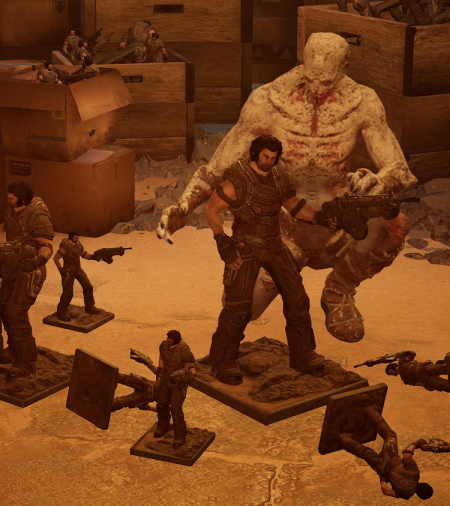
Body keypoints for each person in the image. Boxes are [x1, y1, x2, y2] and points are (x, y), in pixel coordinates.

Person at [157, 33, 417, 344]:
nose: (317, 89)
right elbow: (217, 167)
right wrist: (185, 205)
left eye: (327, 81)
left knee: (393, 226)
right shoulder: (269, 100)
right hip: (282, 228)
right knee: (243, 308)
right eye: (311, 77)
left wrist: (382, 180)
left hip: (339, 222)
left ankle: (339, 290)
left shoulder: (363, 101)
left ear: (344, 69)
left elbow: (400, 170)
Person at [206, 134, 336, 385]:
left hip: (274, 245)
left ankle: (302, 355)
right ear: (255, 153)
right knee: (239, 308)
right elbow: (212, 209)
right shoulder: (239, 179)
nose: (269, 161)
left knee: (298, 299)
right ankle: (222, 360)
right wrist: (222, 242)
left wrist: (318, 218)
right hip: (245, 247)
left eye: (274, 158)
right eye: (266, 156)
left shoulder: (279, 176)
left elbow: (293, 204)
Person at [0, 182, 54, 380]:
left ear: (22, 198)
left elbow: (47, 247)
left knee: (16, 312)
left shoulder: (37, 215)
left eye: (12, 197)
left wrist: (36, 262)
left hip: (30, 270)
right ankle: (13, 350)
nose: (8, 199)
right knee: (3, 307)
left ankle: (26, 362)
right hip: (11, 267)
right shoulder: (11, 210)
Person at [339, 406, 434, 500]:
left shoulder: (414, 474)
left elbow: (406, 455)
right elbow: (386, 491)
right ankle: (344, 438)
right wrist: (383, 477)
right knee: (366, 453)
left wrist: (417, 443)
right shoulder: (405, 495)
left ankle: (371, 411)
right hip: (382, 468)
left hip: (391, 457)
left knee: (390, 436)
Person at [154, 330, 196, 449]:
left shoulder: (184, 349)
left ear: (176, 339)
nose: (168, 340)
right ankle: (163, 426)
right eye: (168, 337)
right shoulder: (163, 345)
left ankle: (180, 436)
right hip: (165, 378)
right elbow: (162, 359)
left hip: (178, 382)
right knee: (161, 404)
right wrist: (159, 373)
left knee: (176, 409)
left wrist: (187, 376)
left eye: (171, 338)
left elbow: (191, 366)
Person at [53, 231, 102, 321]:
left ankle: (90, 307)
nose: (77, 239)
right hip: (68, 271)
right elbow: (55, 258)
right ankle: (61, 312)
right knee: (68, 293)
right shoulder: (65, 246)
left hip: (78, 270)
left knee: (88, 287)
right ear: (71, 237)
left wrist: (93, 257)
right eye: (76, 238)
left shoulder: (78, 244)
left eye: (78, 238)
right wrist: (62, 271)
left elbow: (83, 254)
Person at [385, 351, 449, 392]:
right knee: (441, 385)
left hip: (423, 368)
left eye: (390, 372)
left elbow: (412, 353)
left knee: (438, 369)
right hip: (424, 379)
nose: (392, 375)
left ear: (393, 367)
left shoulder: (402, 362)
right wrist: (426, 386)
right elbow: (417, 383)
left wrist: (398, 355)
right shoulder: (404, 379)